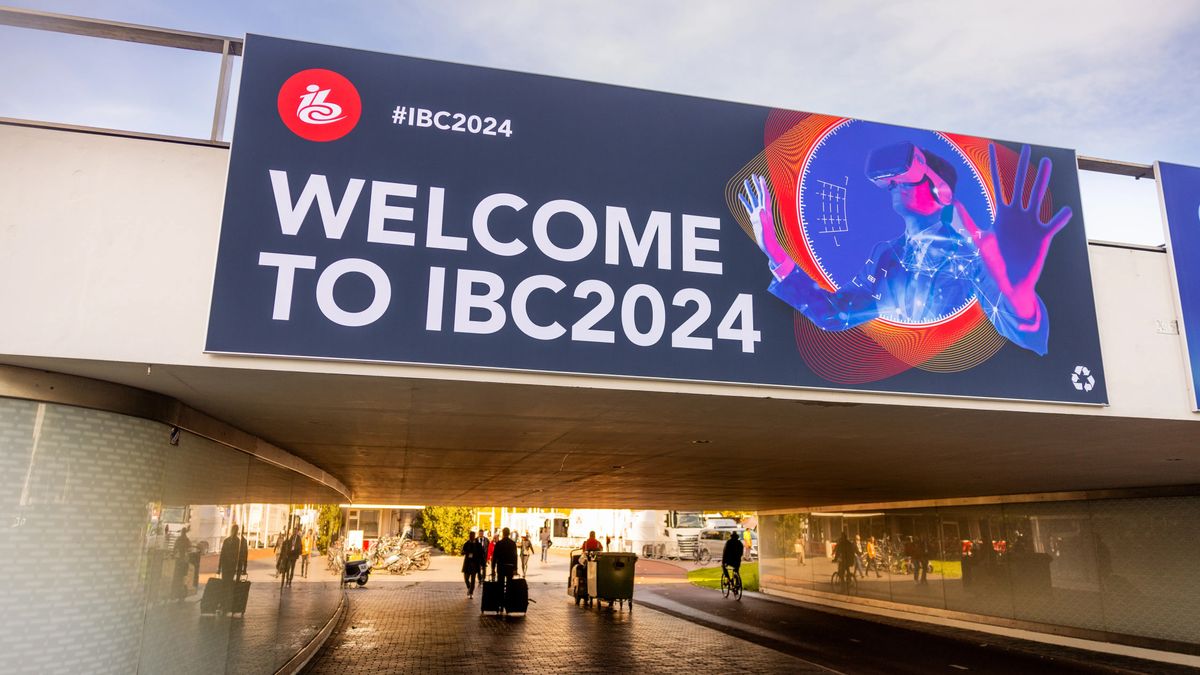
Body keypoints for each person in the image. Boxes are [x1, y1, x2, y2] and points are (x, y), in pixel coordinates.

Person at [739, 142, 1071, 356]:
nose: (895, 186)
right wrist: (776, 252)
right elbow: (834, 314)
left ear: (941, 193)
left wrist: (1020, 298)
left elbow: (1031, 338)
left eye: (906, 179)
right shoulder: (886, 256)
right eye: (892, 181)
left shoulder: (972, 255)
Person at [217, 524, 248, 614]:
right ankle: (225, 604)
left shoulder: (233, 541)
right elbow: (243, 556)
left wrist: (219, 568)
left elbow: (223, 555)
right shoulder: (237, 542)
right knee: (227, 586)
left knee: (226, 586)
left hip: (229, 567)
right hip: (229, 567)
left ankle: (225, 604)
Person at [492, 527, 519, 593]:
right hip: (510, 567)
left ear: (503, 534)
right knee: (509, 584)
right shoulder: (513, 543)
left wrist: (493, 568)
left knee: (500, 584)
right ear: (509, 534)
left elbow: (494, 556)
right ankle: (508, 599)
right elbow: (515, 557)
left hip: (501, 567)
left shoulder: (498, 544)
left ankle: (501, 599)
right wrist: (515, 568)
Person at [461, 530, 484, 598]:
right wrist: (464, 552)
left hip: (474, 564)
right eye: (470, 536)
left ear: (474, 536)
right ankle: (469, 587)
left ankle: (471, 593)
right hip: (467, 563)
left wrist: (482, 563)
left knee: (473, 579)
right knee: (466, 578)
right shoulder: (467, 543)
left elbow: (481, 553)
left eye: (473, 536)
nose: (471, 537)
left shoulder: (478, 544)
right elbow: (463, 551)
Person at [171, 526, 192, 601]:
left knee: (177, 577)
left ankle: (175, 594)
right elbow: (190, 549)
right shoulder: (187, 540)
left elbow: (174, 548)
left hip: (179, 560)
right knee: (183, 578)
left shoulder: (179, 539)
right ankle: (181, 595)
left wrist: (173, 555)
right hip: (184, 561)